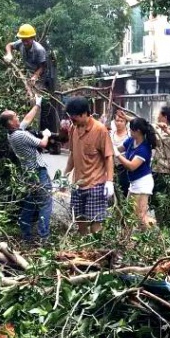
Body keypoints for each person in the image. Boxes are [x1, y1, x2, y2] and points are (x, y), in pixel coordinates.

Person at [0, 96, 53, 244]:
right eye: (15, 116)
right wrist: (46, 135)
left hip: (27, 174)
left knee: (29, 204)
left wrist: (37, 104)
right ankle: (44, 237)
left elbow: (27, 120)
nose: (18, 118)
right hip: (37, 172)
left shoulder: (12, 134)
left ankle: (26, 236)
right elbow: (42, 144)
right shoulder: (21, 135)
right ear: (10, 122)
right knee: (46, 203)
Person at [63, 97, 114, 235]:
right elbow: (72, 156)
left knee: (95, 223)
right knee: (80, 221)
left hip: (95, 184)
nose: (72, 121)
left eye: (75, 118)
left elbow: (109, 156)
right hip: (78, 184)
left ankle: (99, 250)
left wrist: (109, 181)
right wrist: (64, 176)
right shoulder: (73, 129)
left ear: (85, 114)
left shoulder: (100, 130)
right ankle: (85, 251)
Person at [114, 118, 157, 227]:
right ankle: (127, 240)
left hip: (143, 183)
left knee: (140, 216)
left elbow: (131, 166)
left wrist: (118, 156)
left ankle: (153, 238)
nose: (130, 132)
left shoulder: (144, 148)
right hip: (134, 183)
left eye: (131, 130)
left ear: (137, 131)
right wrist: (112, 148)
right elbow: (119, 149)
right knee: (128, 214)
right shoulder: (131, 141)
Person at [110, 110, 131, 198]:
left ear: (126, 122)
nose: (119, 123)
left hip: (126, 168)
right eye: (117, 121)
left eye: (121, 121)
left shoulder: (130, 135)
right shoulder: (110, 134)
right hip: (113, 167)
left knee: (124, 193)